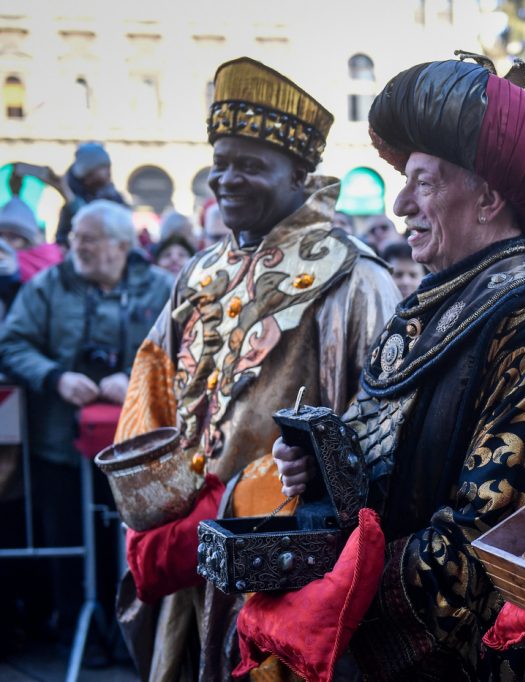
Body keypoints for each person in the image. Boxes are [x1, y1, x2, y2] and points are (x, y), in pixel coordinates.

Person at [270, 51, 525, 680]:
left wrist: (335, 593)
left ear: (488, 197)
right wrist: (319, 470)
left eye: (423, 181)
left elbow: (487, 542)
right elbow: (381, 462)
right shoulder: (439, 300)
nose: (399, 205)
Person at [112, 57, 400, 681]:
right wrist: (157, 512)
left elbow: (378, 434)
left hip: (286, 573)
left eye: (249, 164)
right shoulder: (198, 273)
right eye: (220, 162)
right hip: (189, 561)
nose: (226, 179)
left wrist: (248, 495)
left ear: (300, 173)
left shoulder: (355, 278)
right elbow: (151, 395)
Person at [0, 199, 172, 639]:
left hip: (139, 450)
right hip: (60, 445)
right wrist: (55, 377)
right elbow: (12, 343)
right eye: (75, 236)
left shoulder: (161, 288)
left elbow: (184, 347)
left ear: (120, 246)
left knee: (136, 544)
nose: (77, 246)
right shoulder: (47, 286)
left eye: (88, 239)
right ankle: (77, 632)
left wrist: (136, 378)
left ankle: (133, 633)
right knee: (67, 540)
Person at [55, 142, 128, 247]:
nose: (108, 172)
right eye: (103, 168)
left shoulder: (114, 197)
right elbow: (62, 239)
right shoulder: (71, 202)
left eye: (108, 167)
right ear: (88, 174)